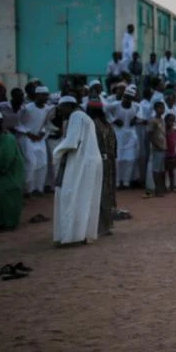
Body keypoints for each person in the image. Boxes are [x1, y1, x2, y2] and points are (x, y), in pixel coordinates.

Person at [52, 96, 103, 246]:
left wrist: (56, 153)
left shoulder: (76, 116)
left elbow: (72, 142)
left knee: (71, 195)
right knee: (84, 198)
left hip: (81, 162)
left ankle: (72, 236)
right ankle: (82, 234)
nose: (60, 112)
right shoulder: (84, 116)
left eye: (61, 108)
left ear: (68, 105)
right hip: (89, 161)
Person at [88, 101, 118, 236]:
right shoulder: (107, 124)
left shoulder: (91, 124)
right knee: (107, 193)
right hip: (110, 162)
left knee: (96, 193)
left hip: (98, 162)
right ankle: (107, 225)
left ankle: (97, 226)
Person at [16, 86, 51, 195]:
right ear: (37, 96)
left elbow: (47, 123)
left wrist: (42, 132)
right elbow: (17, 123)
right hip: (27, 138)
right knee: (31, 163)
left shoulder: (48, 109)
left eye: (46, 94)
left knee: (43, 163)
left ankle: (38, 188)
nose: (45, 97)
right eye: (43, 95)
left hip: (40, 138)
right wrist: (28, 133)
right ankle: (27, 189)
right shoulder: (27, 108)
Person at [107, 86, 140, 189]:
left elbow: (140, 114)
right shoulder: (115, 105)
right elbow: (105, 110)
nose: (126, 99)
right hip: (118, 135)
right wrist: (113, 120)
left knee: (130, 159)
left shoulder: (136, 106)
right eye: (125, 97)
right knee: (118, 160)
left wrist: (136, 119)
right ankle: (117, 182)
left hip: (130, 136)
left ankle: (126, 182)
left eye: (129, 98)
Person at [147, 102, 168, 197]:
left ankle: (161, 187)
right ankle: (157, 189)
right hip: (157, 148)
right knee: (156, 169)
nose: (162, 110)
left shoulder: (162, 120)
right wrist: (156, 145)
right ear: (155, 109)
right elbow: (150, 135)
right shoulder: (153, 121)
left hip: (163, 147)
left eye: (163, 108)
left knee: (161, 169)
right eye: (160, 108)